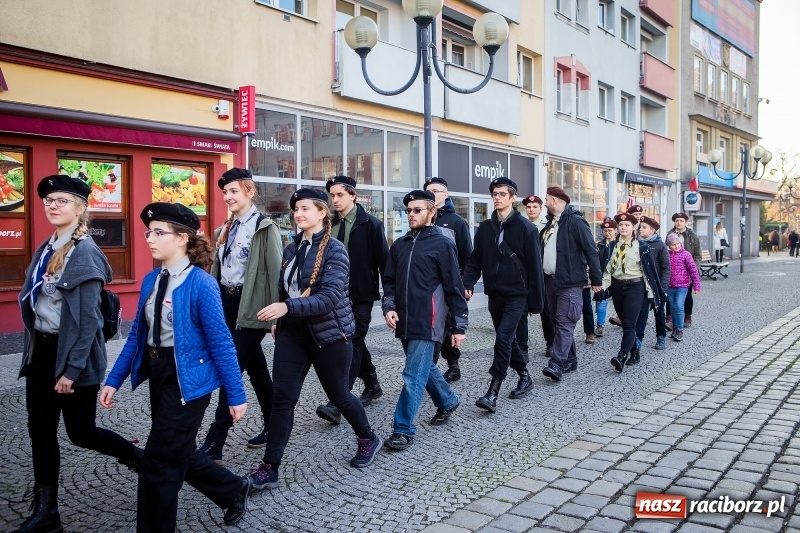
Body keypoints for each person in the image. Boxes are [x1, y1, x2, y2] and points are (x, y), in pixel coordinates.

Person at [100, 202, 251, 531]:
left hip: (189, 382)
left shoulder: (201, 284)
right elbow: (138, 336)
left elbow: (222, 342)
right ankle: (233, 488)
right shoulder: (152, 279)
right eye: (148, 232)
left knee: (158, 463)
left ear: (182, 238)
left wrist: (236, 395)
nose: (149, 239)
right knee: (177, 450)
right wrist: (114, 378)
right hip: (159, 373)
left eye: (158, 233)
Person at [14, 175, 142, 533]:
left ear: (81, 208)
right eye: (49, 200)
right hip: (41, 354)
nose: (53, 205)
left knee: (81, 432)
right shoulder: (47, 248)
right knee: (39, 430)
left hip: (74, 360)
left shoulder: (84, 254)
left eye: (62, 200)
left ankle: (139, 460)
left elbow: (88, 324)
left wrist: (70, 371)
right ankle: (46, 511)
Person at [247, 188, 381, 491]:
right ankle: (270, 468)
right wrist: (281, 317)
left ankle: (367, 437)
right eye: (296, 209)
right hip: (292, 333)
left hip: (329, 335)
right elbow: (288, 289)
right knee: (283, 397)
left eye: (305, 208)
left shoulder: (335, 250)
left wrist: (286, 307)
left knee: (339, 395)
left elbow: (329, 298)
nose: (298, 213)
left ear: (322, 213)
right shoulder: (292, 248)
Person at [199, 168, 282, 462]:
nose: (228, 197)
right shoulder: (226, 227)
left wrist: (275, 318)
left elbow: (275, 273)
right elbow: (217, 270)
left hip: (253, 306)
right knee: (255, 367)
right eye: (225, 192)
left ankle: (215, 440)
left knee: (230, 366)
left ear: (249, 191)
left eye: (234, 191)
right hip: (226, 302)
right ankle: (275, 425)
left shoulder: (264, 227)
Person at [382, 189, 467, 450]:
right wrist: (389, 306)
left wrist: (459, 325)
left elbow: (454, 286)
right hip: (403, 319)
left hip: (429, 319)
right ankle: (447, 400)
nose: (411, 214)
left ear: (431, 211)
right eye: (408, 210)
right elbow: (389, 282)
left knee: (412, 375)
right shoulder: (400, 244)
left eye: (417, 210)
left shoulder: (443, 244)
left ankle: (403, 428)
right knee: (423, 368)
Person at [463, 178, 544, 412]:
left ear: (512, 198)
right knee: (506, 338)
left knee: (502, 339)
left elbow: (535, 268)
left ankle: (493, 391)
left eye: (501, 194)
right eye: (494, 194)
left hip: (517, 294)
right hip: (494, 294)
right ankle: (525, 376)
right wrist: (468, 282)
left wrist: (536, 303)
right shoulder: (485, 229)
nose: (497, 197)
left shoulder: (527, 229)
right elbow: (475, 259)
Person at [315, 175, 388, 424]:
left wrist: (391, 296)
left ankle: (338, 401)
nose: (334, 200)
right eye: (332, 195)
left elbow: (384, 263)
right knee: (354, 340)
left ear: (353, 196)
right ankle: (372, 383)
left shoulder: (371, 225)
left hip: (361, 294)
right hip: (332, 296)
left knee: (353, 340)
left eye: (340, 195)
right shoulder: (327, 224)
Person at [539, 186, 602, 382]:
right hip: (550, 280)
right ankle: (571, 360)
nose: (545, 203)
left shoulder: (575, 221)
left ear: (556, 201)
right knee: (558, 322)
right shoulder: (550, 224)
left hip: (570, 281)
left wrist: (597, 280)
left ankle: (557, 363)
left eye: (547, 200)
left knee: (565, 321)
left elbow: (591, 251)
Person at [600, 213, 666, 372]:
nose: (623, 227)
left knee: (629, 324)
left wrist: (651, 295)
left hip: (635, 288)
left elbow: (648, 273)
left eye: (627, 225)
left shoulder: (642, 247)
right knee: (625, 322)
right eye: (621, 225)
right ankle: (635, 352)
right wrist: (602, 287)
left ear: (634, 227)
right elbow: (608, 270)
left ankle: (622, 356)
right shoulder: (611, 247)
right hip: (617, 288)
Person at [423, 177, 472, 383]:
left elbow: (467, 255)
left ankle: (453, 366)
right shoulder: (424, 217)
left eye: (436, 190)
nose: (432, 194)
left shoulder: (456, 222)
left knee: (450, 326)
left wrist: (466, 283)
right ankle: (429, 366)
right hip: (426, 283)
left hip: (449, 283)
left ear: (446, 194)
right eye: (429, 190)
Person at [518, 194, 555, 358]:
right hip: (524, 274)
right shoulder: (520, 225)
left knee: (546, 310)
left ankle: (551, 342)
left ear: (541, 209)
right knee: (521, 310)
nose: (531, 209)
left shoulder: (547, 226)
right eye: (529, 207)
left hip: (543, 273)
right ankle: (522, 346)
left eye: (535, 207)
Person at [635, 216, 670, 351]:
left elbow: (666, 267)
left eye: (644, 227)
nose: (640, 229)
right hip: (642, 285)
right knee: (642, 313)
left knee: (659, 312)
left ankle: (661, 336)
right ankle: (638, 338)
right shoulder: (637, 243)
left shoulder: (660, 245)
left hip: (657, 286)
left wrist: (663, 288)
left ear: (652, 230)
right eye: (640, 227)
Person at [666, 213, 701, 329]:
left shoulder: (692, 236)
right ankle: (670, 318)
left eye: (681, 220)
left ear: (686, 222)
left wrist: (694, 269)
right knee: (670, 298)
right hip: (672, 272)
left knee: (687, 296)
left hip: (687, 270)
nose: (679, 223)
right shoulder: (669, 234)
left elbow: (697, 254)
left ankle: (687, 316)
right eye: (677, 221)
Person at [594, 219, 618, 338]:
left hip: (617, 278)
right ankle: (600, 325)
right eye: (605, 231)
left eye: (610, 230)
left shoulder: (619, 244)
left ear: (615, 231)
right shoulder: (600, 245)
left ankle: (626, 322)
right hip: (603, 278)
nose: (607, 233)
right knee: (601, 302)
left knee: (620, 303)